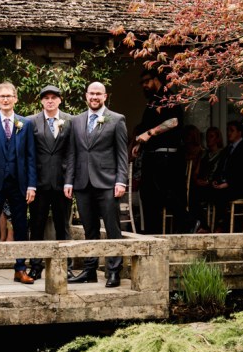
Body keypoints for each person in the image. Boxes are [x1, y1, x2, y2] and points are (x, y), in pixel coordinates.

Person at [65, 82, 128, 288]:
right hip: (83, 183)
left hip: (108, 183)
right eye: (91, 93)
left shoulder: (116, 119)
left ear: (105, 96)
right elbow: (73, 154)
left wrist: (121, 181)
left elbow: (121, 154)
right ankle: (90, 270)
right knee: (88, 229)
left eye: (98, 94)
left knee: (112, 228)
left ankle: (113, 271)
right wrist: (69, 181)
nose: (94, 97)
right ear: (86, 96)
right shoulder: (76, 121)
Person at [0, 82, 37, 285]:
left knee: (21, 226)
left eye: (9, 96)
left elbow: (30, 156)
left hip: (19, 183)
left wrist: (31, 185)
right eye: (1, 96)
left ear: (15, 99)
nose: (5, 99)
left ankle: (20, 268)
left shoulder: (25, 124)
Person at [131, 68, 186, 233]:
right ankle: (151, 236)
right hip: (152, 156)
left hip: (167, 156)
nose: (144, 86)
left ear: (156, 79)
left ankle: (189, 226)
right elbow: (145, 126)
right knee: (148, 197)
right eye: (142, 83)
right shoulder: (152, 101)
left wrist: (150, 133)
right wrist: (139, 144)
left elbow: (174, 122)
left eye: (146, 81)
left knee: (171, 197)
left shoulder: (168, 97)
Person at [27, 85, 73, 280]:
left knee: (63, 225)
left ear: (60, 100)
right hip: (39, 182)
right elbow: (28, 154)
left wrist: (70, 180)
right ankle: (36, 265)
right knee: (36, 225)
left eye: (54, 97)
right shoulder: (31, 122)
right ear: (42, 101)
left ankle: (65, 265)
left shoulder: (70, 121)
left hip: (63, 184)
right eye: (46, 98)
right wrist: (30, 183)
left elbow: (72, 154)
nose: (50, 101)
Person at [210, 120, 243, 230]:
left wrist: (228, 183)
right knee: (201, 193)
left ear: (239, 133)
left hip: (238, 186)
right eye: (228, 130)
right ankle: (204, 225)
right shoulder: (227, 149)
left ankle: (222, 226)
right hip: (224, 184)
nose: (228, 133)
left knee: (221, 195)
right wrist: (215, 180)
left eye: (232, 130)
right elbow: (220, 168)